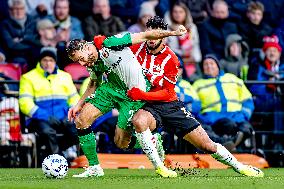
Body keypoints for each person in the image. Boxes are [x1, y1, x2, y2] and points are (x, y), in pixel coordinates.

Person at [127, 16, 263, 177]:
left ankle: (240, 167)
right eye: (148, 31)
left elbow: (167, 92)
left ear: (164, 38)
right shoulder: (135, 50)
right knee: (137, 122)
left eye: (156, 32)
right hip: (148, 106)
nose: (151, 36)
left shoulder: (172, 58)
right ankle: (160, 167)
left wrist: (141, 93)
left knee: (207, 146)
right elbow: (117, 49)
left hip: (170, 105)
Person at [66, 24, 187, 177]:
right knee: (81, 120)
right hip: (111, 89)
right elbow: (95, 82)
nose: (82, 64)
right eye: (78, 62)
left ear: (86, 47)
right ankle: (94, 167)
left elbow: (145, 35)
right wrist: (78, 104)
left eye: (81, 59)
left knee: (121, 142)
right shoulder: (92, 61)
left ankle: (154, 139)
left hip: (133, 94)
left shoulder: (112, 43)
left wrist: (173, 32)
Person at [19, 47, 80, 159]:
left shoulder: (65, 76)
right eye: (45, 60)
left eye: (51, 60)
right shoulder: (28, 78)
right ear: (40, 61)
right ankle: (57, 160)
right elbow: (25, 103)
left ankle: (58, 153)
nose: (48, 63)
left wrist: (70, 113)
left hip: (63, 117)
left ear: (55, 61)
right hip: (39, 118)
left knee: (78, 131)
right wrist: (45, 116)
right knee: (48, 133)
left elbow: (75, 99)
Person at [193, 54, 254, 151]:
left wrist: (244, 115)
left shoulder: (232, 78)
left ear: (217, 65)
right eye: (206, 64)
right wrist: (202, 116)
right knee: (203, 131)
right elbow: (194, 105)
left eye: (211, 63)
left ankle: (228, 145)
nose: (209, 66)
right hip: (211, 119)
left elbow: (247, 100)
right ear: (203, 69)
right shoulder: (197, 84)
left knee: (246, 127)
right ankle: (228, 144)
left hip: (236, 116)